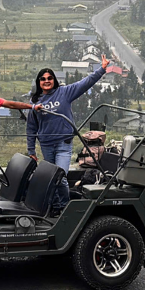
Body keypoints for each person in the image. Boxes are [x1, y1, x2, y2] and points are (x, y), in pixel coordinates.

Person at [25, 55, 108, 210]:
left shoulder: (65, 92)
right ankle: (55, 206)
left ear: (54, 80)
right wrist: (31, 150)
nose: (47, 81)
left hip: (63, 143)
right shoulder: (35, 102)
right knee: (51, 178)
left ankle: (64, 207)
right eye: (43, 79)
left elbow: (85, 84)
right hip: (46, 145)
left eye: (50, 78)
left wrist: (101, 69)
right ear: (39, 82)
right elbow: (31, 128)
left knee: (60, 176)